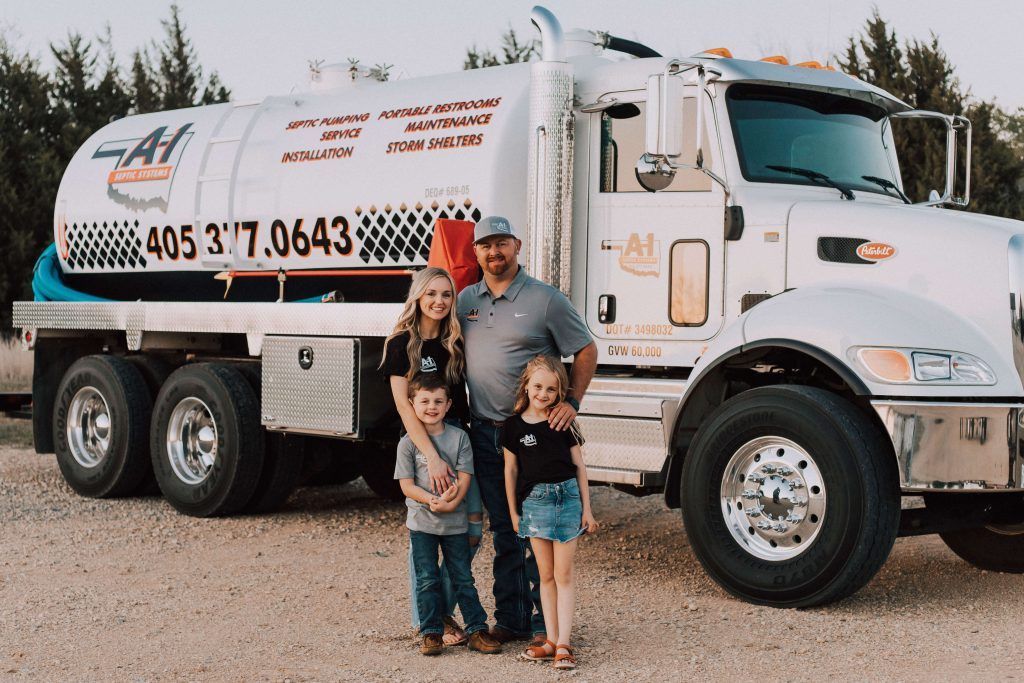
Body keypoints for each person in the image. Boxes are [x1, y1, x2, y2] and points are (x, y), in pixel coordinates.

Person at [456, 215, 598, 646]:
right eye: (485, 245)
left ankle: (545, 627)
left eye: (501, 243)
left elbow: (586, 349)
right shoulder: (465, 301)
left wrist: (571, 403)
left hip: (537, 434)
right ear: (476, 252)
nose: (494, 252)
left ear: (517, 245)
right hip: (486, 432)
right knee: (505, 529)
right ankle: (512, 620)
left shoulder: (546, 300)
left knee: (541, 528)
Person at [380, 266, 483, 645]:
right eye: (432, 294)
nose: (439, 302)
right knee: (424, 532)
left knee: (471, 534)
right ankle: (429, 620)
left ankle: (437, 611)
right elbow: (405, 408)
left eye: (446, 295)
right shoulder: (400, 344)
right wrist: (433, 458)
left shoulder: (456, 341)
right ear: (418, 297)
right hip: (424, 448)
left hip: (459, 442)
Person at [393, 373, 503, 656]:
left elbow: (466, 477)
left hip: (455, 525)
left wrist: (453, 504)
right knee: (427, 578)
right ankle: (431, 633)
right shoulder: (408, 443)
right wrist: (431, 499)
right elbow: (406, 486)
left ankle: (477, 630)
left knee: (462, 578)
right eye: (425, 401)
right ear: (412, 404)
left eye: (438, 401)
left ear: (449, 404)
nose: (432, 407)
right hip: (422, 524)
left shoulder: (460, 438)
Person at [503, 355, 598, 670]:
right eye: (538, 387)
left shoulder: (561, 421)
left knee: (564, 575)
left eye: (552, 390)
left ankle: (565, 645)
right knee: (544, 576)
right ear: (526, 386)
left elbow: (579, 466)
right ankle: (551, 641)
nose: (543, 394)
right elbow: (510, 471)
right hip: (535, 504)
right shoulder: (513, 426)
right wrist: (514, 513)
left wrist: (587, 509)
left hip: (567, 498)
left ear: (560, 393)